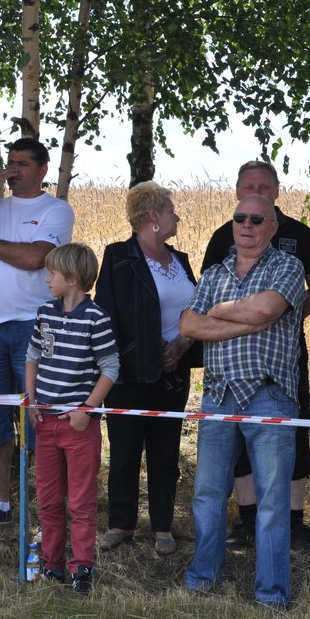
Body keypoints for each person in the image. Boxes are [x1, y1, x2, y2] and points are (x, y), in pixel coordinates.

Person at [180, 194, 306, 609]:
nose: (247, 225)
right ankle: (203, 577)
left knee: (273, 502)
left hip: (270, 395)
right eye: (240, 218)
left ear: (272, 227)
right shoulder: (214, 272)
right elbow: (189, 324)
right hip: (217, 394)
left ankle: (271, 593)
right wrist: (247, 321)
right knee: (207, 493)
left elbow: (268, 308)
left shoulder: (287, 266)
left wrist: (219, 312)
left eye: (256, 219)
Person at [201, 160, 310, 551]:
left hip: (282, 360)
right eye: (248, 187)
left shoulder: (299, 235)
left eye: (264, 187)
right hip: (228, 363)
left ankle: (293, 522)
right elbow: (201, 304)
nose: (255, 195)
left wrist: (283, 319)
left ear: (276, 191)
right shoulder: (224, 235)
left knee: (290, 432)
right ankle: (247, 519)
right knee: (236, 439)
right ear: (237, 192)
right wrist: (247, 321)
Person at [0, 138, 74, 534]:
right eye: (10, 162)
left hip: (34, 324)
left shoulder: (56, 209)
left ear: (42, 170)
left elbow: (35, 257)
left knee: (39, 417)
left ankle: (45, 510)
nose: (13, 170)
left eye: (22, 164)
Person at [94, 181, 201, 556]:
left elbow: (197, 309)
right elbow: (108, 313)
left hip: (174, 372)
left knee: (165, 452)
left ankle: (162, 526)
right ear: (153, 216)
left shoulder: (181, 260)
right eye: (172, 210)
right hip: (128, 371)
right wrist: (145, 350)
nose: (178, 217)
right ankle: (120, 524)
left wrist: (184, 344)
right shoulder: (118, 256)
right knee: (124, 451)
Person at [26, 243, 119, 595]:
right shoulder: (44, 313)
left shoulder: (96, 318)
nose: (47, 279)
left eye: (52, 273)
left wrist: (87, 409)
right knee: (49, 500)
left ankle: (82, 568)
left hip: (79, 428)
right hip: (45, 424)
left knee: (80, 502)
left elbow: (110, 368)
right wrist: (31, 401)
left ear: (73, 279)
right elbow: (32, 357)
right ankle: (51, 565)